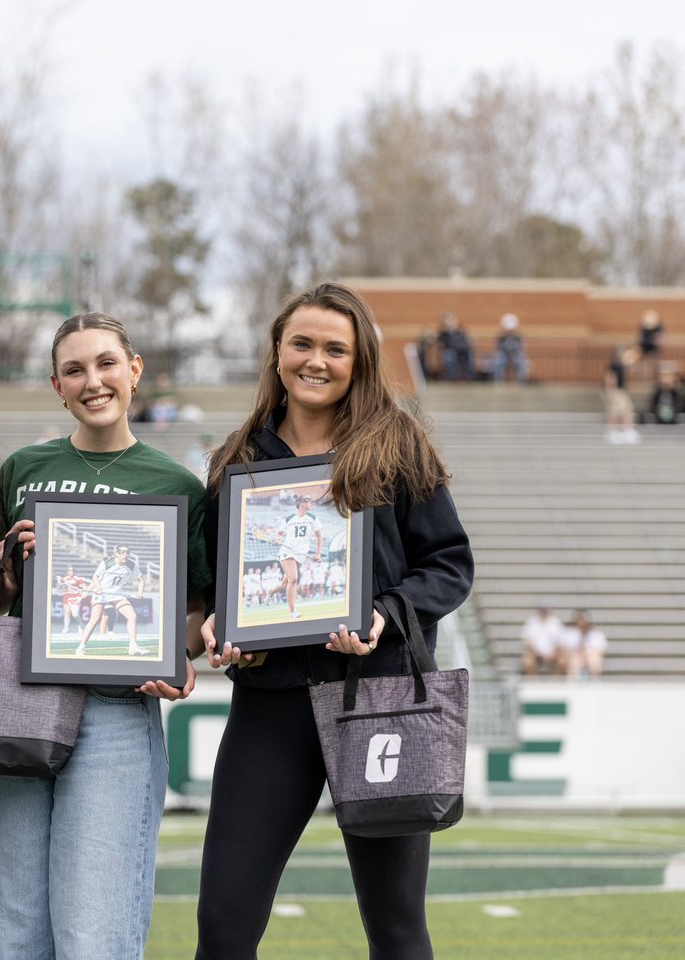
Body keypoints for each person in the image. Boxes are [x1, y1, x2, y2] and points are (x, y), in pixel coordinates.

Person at [194, 282, 474, 960]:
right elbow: (215, 590)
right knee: (224, 926)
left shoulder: (397, 445)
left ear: (360, 360)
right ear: (277, 352)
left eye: (335, 349)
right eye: (303, 344)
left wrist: (386, 613)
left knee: (397, 928)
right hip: (271, 710)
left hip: (377, 704)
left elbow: (449, 563)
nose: (316, 360)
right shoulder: (240, 460)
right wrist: (224, 635)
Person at [0, 312, 212, 960]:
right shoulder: (23, 471)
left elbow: (196, 614)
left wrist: (181, 654)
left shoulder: (177, 485)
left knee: (95, 938)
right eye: (75, 370)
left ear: (134, 370)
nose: (94, 380)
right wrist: (7, 565)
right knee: (20, 935)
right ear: (57, 386)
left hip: (116, 713)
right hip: (25, 707)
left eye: (106, 363)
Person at [76, 544, 146, 657]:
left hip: (117, 594)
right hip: (102, 593)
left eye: (127, 552)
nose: (125, 555)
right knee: (94, 620)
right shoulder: (107, 563)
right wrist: (98, 588)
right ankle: (81, 647)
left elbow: (141, 580)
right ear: (116, 554)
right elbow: (95, 577)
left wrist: (140, 592)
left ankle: (133, 647)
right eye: (122, 552)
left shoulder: (132, 565)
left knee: (132, 616)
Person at [264, 493, 322, 619]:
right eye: (308, 500)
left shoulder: (313, 517)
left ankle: (271, 591)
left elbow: (319, 536)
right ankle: (292, 611)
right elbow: (279, 534)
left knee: (285, 583)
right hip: (287, 551)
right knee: (294, 579)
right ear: (301, 504)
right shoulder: (289, 518)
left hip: (301, 554)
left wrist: (318, 554)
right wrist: (278, 539)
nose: (311, 503)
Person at [604, 344, 640, 444]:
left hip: (621, 391)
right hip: (617, 391)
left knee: (626, 411)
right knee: (617, 412)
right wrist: (611, 391)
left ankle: (626, 431)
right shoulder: (615, 365)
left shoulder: (621, 365)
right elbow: (610, 378)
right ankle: (613, 432)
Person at [559, 609, 607, 678]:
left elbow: (601, 652)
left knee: (593, 662)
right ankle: (571, 686)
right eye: (579, 619)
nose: (581, 621)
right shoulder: (568, 632)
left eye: (583, 619)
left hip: (590, 657)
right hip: (572, 657)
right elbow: (563, 649)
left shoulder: (595, 634)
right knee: (574, 663)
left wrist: (586, 654)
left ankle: (595, 685)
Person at [520, 601, 563, 676]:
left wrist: (553, 653)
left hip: (552, 654)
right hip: (535, 654)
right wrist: (536, 653)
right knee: (527, 661)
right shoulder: (531, 622)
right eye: (542, 610)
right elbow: (527, 641)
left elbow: (560, 642)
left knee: (562, 662)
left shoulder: (556, 622)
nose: (544, 612)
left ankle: (556, 684)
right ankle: (532, 684)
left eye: (546, 610)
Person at [436, 311, 474, 381]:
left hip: (463, 350)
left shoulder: (459, 330)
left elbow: (466, 339)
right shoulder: (444, 333)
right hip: (450, 350)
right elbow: (439, 340)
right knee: (449, 357)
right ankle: (452, 378)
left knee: (469, 357)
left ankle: (469, 377)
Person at [493, 312, 529, 383]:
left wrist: (514, 356)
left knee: (522, 361)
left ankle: (521, 382)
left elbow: (522, 348)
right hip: (504, 356)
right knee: (498, 361)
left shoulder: (518, 337)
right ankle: (498, 382)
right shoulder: (501, 337)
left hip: (516, 355)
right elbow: (498, 349)